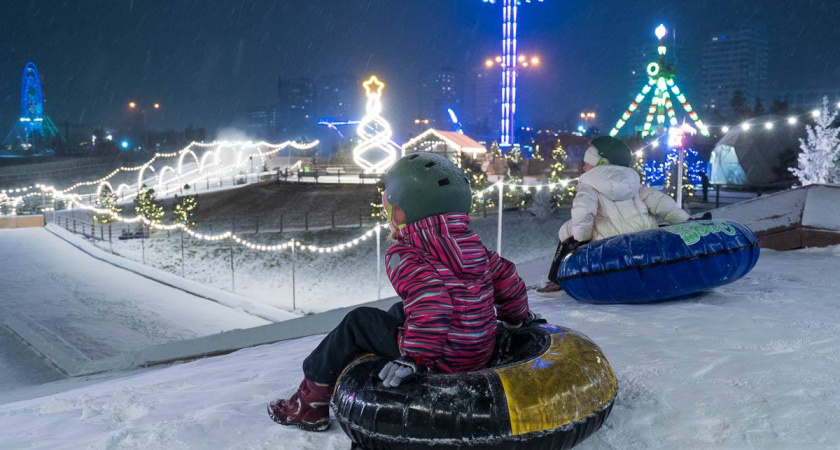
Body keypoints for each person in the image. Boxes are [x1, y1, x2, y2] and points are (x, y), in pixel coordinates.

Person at [268, 152, 538, 431]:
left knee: (358, 321)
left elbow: (434, 303)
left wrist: (415, 358)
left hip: (445, 358)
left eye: (388, 207)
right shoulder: (473, 246)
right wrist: (518, 318)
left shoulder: (406, 254)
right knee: (399, 311)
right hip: (479, 348)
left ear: (401, 212)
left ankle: (309, 403)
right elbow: (507, 279)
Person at [538, 136, 690, 293]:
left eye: (588, 162)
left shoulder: (589, 184)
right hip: (643, 234)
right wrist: (684, 219)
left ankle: (556, 279)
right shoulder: (632, 183)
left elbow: (583, 210)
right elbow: (660, 201)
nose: (584, 166)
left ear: (601, 163)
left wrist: (580, 239)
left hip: (609, 241)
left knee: (567, 229)